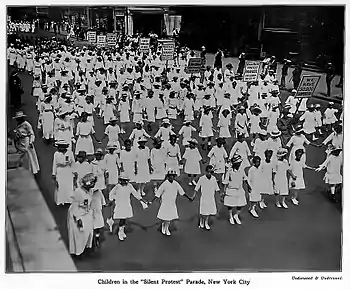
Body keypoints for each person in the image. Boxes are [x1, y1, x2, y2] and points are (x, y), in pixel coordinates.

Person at [149, 168, 193, 236]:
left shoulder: (176, 184)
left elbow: (181, 192)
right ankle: (163, 226)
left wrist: (188, 197)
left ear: (174, 176)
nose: (171, 177)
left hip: (172, 203)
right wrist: (151, 200)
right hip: (165, 202)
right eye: (170, 176)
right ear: (168, 176)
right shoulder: (164, 184)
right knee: (165, 216)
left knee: (169, 217)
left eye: (173, 176)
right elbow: (158, 193)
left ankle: (167, 228)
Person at [109, 173, 148, 241]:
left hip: (126, 204)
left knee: (124, 219)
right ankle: (120, 232)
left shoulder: (129, 186)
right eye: (123, 180)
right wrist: (112, 199)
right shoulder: (117, 186)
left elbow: (135, 193)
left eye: (126, 180)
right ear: (120, 180)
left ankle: (122, 231)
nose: (125, 182)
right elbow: (111, 194)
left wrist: (142, 200)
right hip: (120, 205)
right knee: (122, 219)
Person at [67, 173, 95, 256]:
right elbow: (75, 207)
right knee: (78, 234)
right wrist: (78, 219)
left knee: (88, 231)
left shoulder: (90, 191)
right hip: (77, 214)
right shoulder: (79, 192)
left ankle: (86, 248)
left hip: (86, 213)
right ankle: (78, 252)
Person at [222, 155, 250, 225]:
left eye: (240, 163)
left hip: (239, 189)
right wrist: (224, 191)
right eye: (238, 163)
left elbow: (245, 178)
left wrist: (249, 186)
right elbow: (226, 181)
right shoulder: (229, 171)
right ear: (235, 163)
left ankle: (236, 215)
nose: (239, 164)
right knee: (230, 204)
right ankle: (230, 216)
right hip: (231, 189)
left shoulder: (241, 170)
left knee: (240, 204)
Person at [194, 165, 220, 230]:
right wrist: (193, 195)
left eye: (211, 172)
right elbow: (196, 188)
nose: (209, 173)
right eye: (208, 172)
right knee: (203, 211)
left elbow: (217, 188)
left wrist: (221, 195)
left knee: (208, 212)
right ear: (205, 171)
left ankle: (206, 222)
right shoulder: (201, 178)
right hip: (204, 197)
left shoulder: (213, 178)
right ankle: (201, 221)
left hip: (211, 198)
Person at [52, 140, 74, 206]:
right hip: (60, 171)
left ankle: (69, 200)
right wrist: (54, 173)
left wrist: (74, 171)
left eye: (62, 147)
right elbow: (54, 164)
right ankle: (60, 201)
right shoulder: (56, 154)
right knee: (60, 186)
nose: (60, 148)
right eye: (59, 147)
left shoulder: (70, 153)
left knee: (68, 186)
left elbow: (73, 163)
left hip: (68, 171)